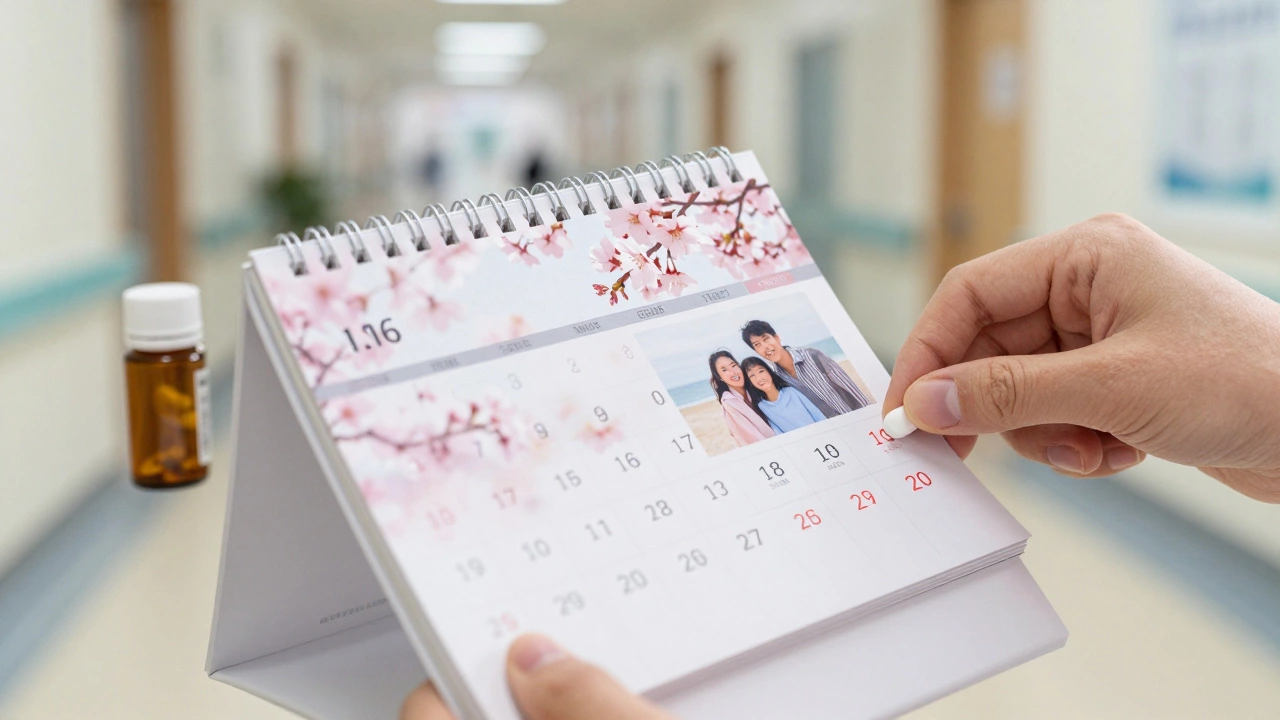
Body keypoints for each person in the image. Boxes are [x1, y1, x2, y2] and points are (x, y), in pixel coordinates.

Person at [404, 213, 1280, 718]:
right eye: (734, 365)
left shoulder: (814, 366)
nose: (754, 359)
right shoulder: (744, 401)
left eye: (754, 353)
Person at [741, 319, 870, 417]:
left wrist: (870, 414)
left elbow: (851, 389)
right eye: (758, 345)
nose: (766, 347)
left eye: (766, 339)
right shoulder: (776, 378)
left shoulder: (813, 356)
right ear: (756, 351)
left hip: (854, 417)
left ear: (777, 337)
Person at [740, 356, 826, 433]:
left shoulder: (791, 392)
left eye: (761, 371)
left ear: (769, 372)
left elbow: (817, 414)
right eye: (752, 375)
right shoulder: (762, 407)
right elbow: (778, 433)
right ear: (750, 382)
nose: (759, 378)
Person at [708, 350, 775, 446]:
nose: (733, 371)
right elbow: (753, 437)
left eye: (733, 365)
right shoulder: (729, 401)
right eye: (724, 370)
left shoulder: (754, 387)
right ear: (719, 377)